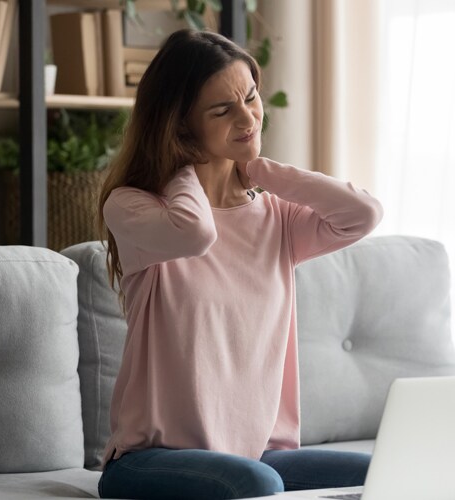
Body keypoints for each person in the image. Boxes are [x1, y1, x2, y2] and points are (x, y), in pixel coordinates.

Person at [96, 28, 383, 500]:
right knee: (258, 483)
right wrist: (189, 166)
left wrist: (259, 168)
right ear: (182, 125)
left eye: (250, 98)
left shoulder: (277, 219)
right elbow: (196, 232)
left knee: (390, 470)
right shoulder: (133, 207)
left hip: (256, 456)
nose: (248, 117)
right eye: (223, 110)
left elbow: (363, 214)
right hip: (151, 461)